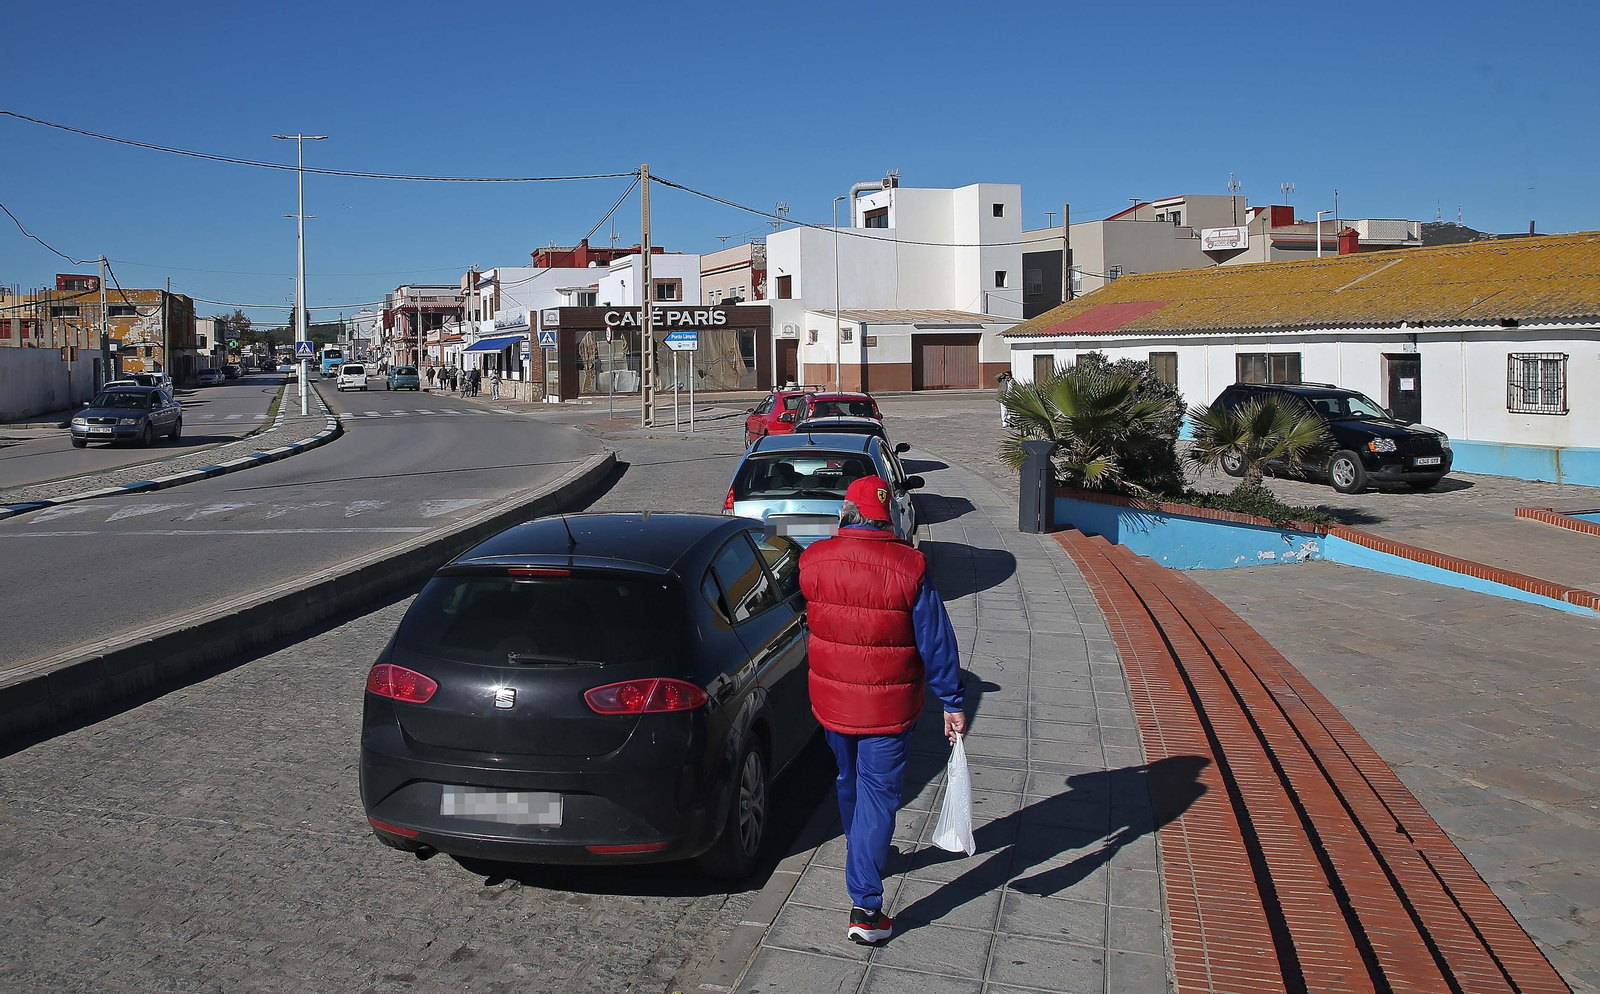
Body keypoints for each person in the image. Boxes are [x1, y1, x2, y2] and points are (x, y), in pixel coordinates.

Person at [799, 476, 965, 946]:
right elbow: (936, 640)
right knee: (878, 794)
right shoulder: (910, 567)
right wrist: (952, 700)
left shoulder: (813, 561)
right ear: (886, 515)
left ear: (846, 513)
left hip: (832, 703)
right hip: (888, 709)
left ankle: (864, 853)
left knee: (848, 780)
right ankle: (866, 908)